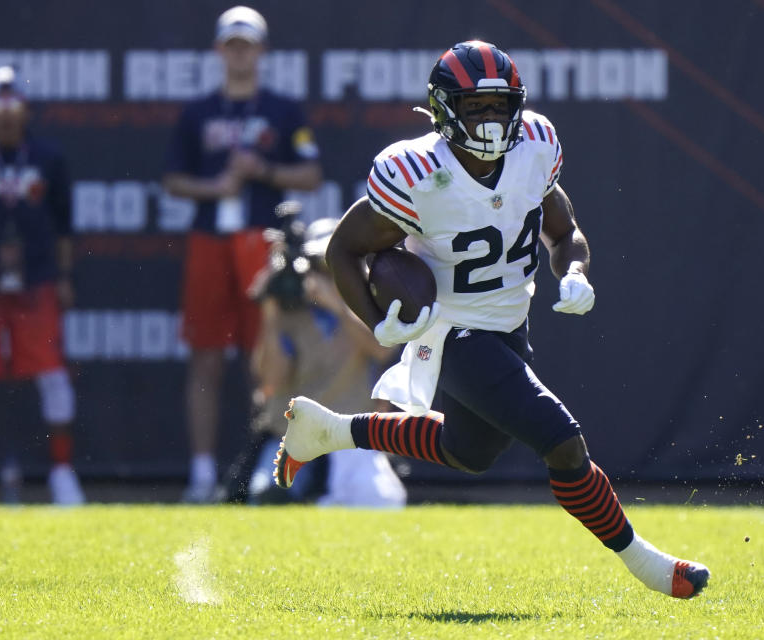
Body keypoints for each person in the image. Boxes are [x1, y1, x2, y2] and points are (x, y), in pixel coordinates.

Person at [274, 41, 710, 598]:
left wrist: (574, 270)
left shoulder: (534, 146)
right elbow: (344, 250)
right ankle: (649, 564)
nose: (491, 119)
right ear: (442, 109)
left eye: (500, 105)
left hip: (507, 324)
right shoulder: (416, 170)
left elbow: (562, 229)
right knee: (561, 441)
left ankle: (329, 430)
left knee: (469, 452)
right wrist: (375, 321)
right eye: (475, 106)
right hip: (451, 329)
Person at [163, 6, 322, 502]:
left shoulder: (282, 109)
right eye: (231, 44)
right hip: (211, 237)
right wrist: (216, 185)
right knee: (206, 357)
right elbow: (172, 180)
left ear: (262, 51)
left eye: (247, 44)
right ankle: (203, 472)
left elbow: (311, 174)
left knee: (270, 357)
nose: (239, 53)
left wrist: (264, 171)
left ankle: (266, 466)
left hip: (262, 240)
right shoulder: (198, 112)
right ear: (218, 51)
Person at [238, 208, 405, 506]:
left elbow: (382, 350)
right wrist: (271, 314)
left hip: (352, 430)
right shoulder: (290, 312)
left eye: (334, 265)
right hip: (293, 432)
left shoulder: (366, 304)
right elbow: (272, 379)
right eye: (319, 265)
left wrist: (338, 306)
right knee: (267, 495)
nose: (327, 273)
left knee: (378, 501)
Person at [0, 66, 84, 504]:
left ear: (26, 110)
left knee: (51, 373)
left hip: (37, 279)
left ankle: (62, 474)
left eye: (13, 104)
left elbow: (63, 225)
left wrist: (62, 277)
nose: (6, 114)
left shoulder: (47, 156)